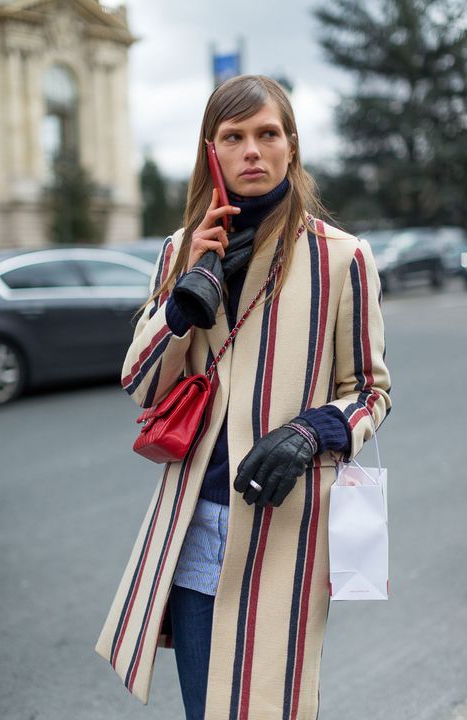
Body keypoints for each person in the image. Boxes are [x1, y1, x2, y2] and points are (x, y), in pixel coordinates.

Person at [95, 75, 392, 720]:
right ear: (213, 152)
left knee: (275, 704)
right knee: (207, 707)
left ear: (292, 148)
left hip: (289, 521)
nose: (252, 150)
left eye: (268, 134)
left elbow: (370, 391)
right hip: (198, 525)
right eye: (235, 136)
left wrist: (316, 430)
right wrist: (181, 305)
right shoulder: (180, 251)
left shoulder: (342, 258)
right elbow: (142, 386)